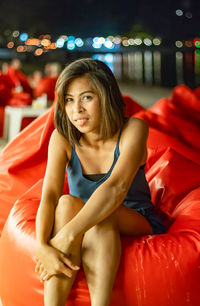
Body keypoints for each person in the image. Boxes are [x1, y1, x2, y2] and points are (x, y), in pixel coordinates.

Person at [35, 58, 165, 306]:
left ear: (106, 97)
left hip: (133, 217)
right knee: (64, 203)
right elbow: (49, 197)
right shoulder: (62, 138)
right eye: (69, 100)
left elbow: (116, 188)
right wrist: (43, 245)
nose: (77, 109)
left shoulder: (133, 129)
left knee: (102, 214)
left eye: (86, 97)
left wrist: (65, 236)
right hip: (81, 217)